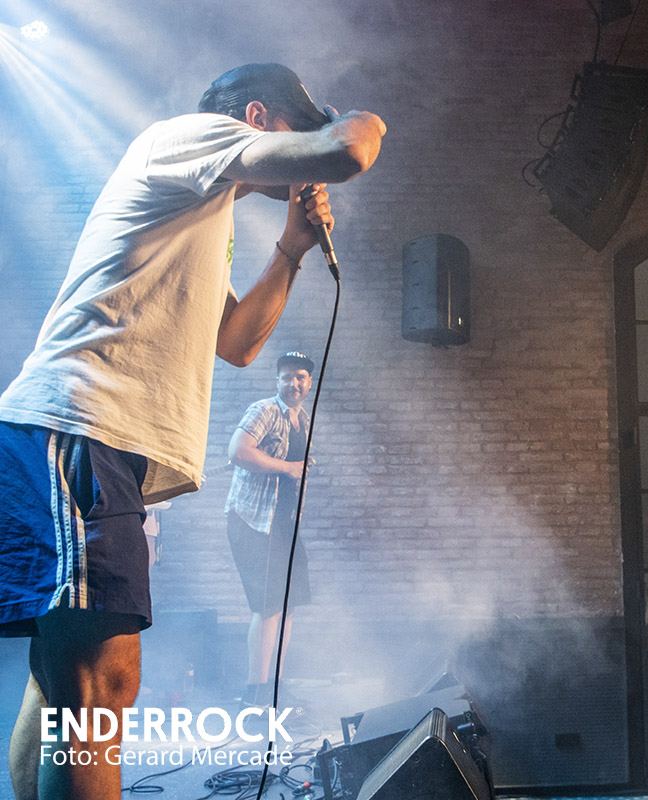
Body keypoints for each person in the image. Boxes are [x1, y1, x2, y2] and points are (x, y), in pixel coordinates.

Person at [0, 63, 385, 799]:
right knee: (103, 683)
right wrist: (351, 120)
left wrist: (291, 250)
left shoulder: (205, 217)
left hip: (84, 440)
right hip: (76, 425)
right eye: (295, 130)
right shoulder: (192, 137)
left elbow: (237, 342)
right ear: (256, 118)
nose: (297, 159)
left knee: (62, 688)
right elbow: (349, 150)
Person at [226, 351, 318, 709]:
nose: (293, 383)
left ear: (309, 382)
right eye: (287, 377)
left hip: (284, 525)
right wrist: (287, 467)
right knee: (268, 608)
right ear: (277, 380)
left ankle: (275, 687)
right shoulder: (263, 410)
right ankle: (255, 694)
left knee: (288, 604)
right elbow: (238, 451)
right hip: (253, 522)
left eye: (300, 377)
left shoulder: (303, 420)